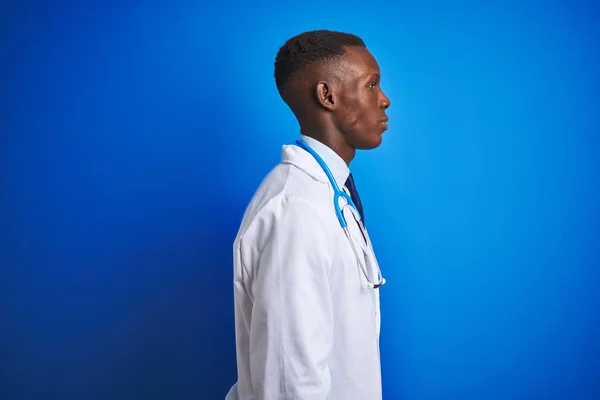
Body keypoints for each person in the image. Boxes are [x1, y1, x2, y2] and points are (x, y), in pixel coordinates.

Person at [225, 29, 391, 400]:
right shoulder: (295, 212)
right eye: (371, 85)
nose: (384, 100)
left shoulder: (328, 196)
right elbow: (289, 382)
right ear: (327, 95)